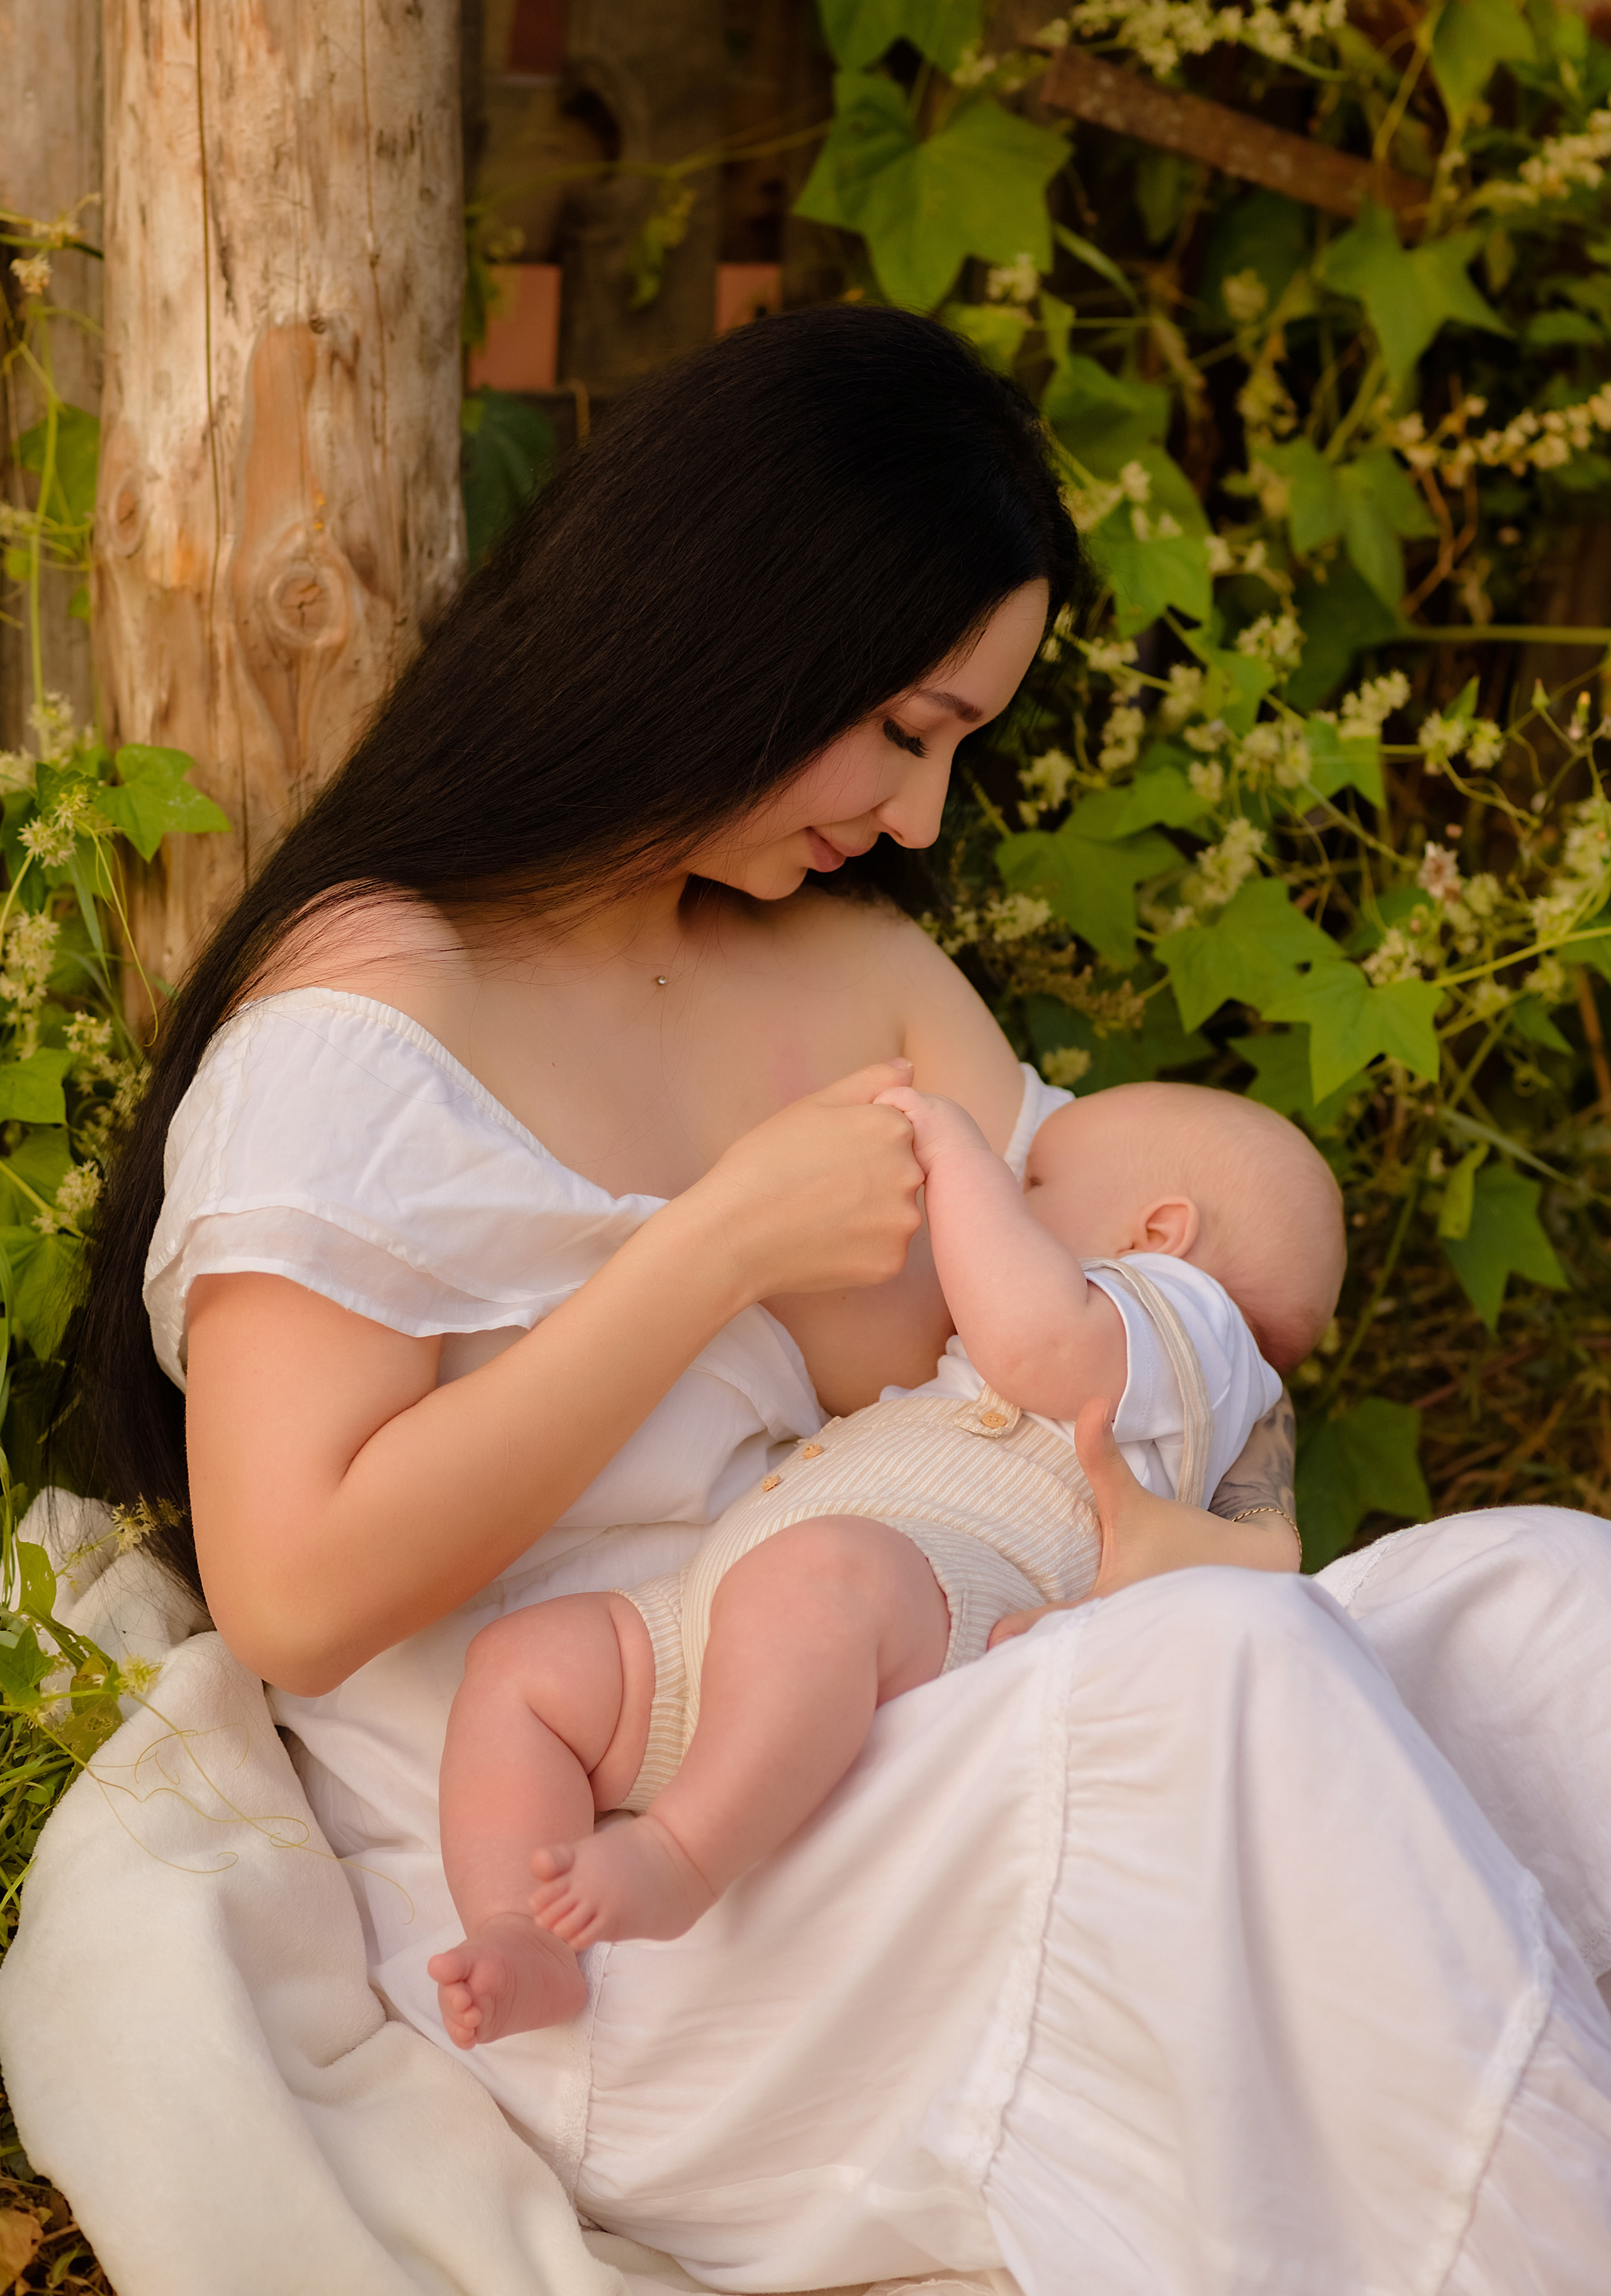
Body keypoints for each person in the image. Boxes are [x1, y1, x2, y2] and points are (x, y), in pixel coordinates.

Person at [73, 306, 1611, 2293]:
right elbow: (289, 1586)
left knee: (1541, 1606)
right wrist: (707, 1248)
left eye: (958, 747)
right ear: (735, 634)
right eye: (904, 730)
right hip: (616, 1881)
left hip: (925, 1706)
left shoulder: (847, 967)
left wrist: (1217, 1525)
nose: (920, 820)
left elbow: (1142, 1319)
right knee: (1225, 1689)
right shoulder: (377, 1008)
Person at [427, 1081, 1340, 2047]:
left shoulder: (1191, 1331)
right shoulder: (1152, 1339)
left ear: (1161, 1231)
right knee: (524, 1666)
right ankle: (523, 1931)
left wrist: (961, 1159)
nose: (1010, 1192)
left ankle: (679, 1856)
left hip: (928, 1604)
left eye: (1034, 1178)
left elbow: (1038, 1336)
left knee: (819, 1578)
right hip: (751, 1622)